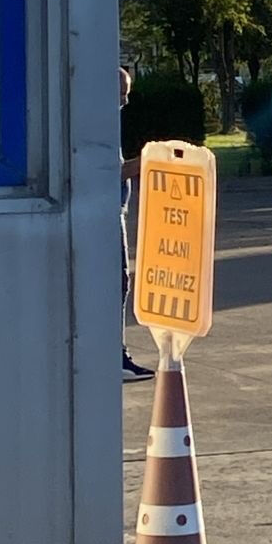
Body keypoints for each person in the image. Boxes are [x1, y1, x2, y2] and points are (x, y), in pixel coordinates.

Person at [120, 68, 154, 383]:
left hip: (115, 210)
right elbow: (110, 172)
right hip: (106, 214)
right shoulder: (96, 123)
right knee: (118, 282)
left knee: (118, 283)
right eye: (121, 93)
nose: (126, 100)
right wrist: (148, 160)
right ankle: (116, 356)